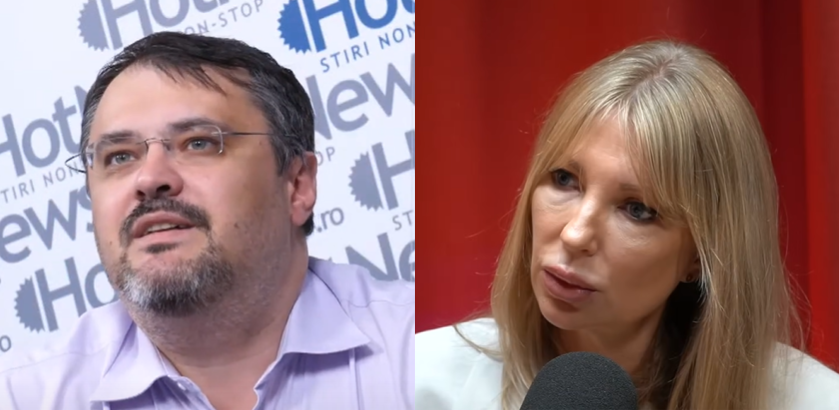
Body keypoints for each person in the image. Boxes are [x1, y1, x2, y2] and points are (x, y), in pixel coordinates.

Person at [0, 32, 414, 410]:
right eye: (120, 156)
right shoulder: (24, 397)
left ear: (297, 184)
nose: (150, 179)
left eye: (198, 143)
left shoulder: (422, 349)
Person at [415, 40, 839, 410]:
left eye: (637, 209)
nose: (575, 235)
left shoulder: (815, 401)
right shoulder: (417, 386)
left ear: (699, 256)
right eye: (564, 179)